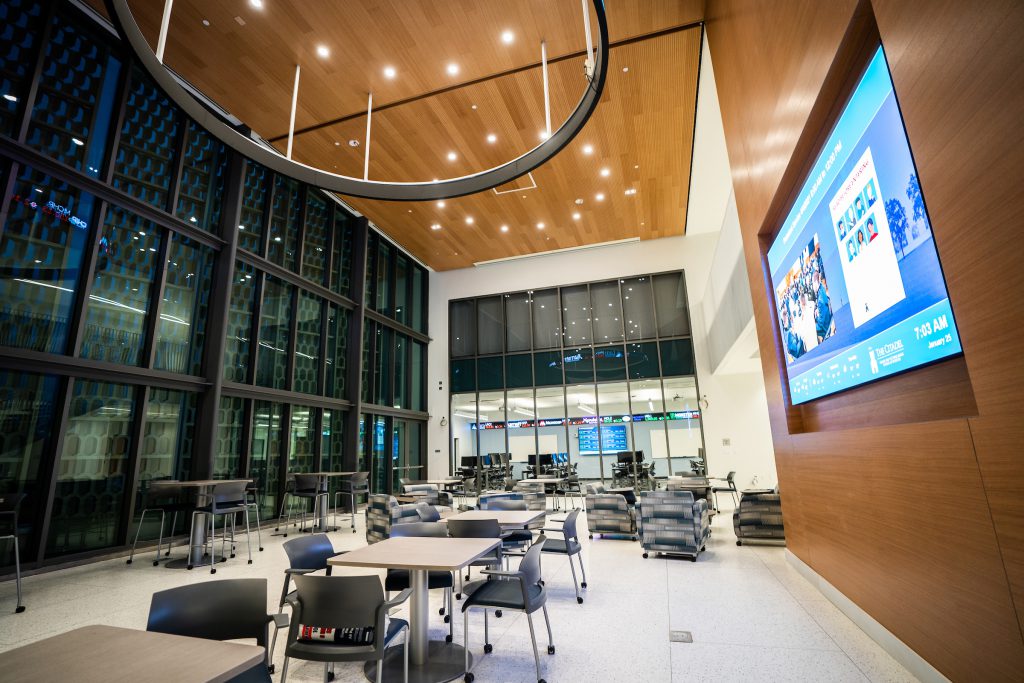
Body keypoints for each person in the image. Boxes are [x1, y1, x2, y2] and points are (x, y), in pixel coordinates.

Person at [813, 271, 833, 342]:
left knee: (814, 332)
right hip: (828, 318)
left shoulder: (820, 301)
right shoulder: (821, 288)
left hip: (826, 328)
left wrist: (814, 325)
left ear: (815, 282)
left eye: (813, 284)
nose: (813, 287)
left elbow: (821, 324)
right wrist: (818, 310)